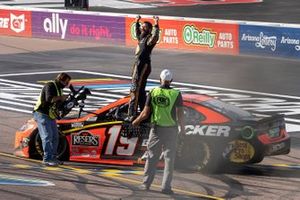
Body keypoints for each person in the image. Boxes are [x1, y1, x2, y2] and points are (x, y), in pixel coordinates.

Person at [132, 69, 185, 194]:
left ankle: (146, 184)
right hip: (171, 130)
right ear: (171, 81)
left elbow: (145, 113)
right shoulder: (176, 94)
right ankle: (166, 188)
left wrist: (136, 121)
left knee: (151, 157)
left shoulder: (153, 92)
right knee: (169, 159)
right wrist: (183, 129)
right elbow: (180, 115)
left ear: (159, 79)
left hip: (156, 130)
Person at [33, 73, 71, 166]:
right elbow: (49, 99)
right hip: (41, 114)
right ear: (60, 80)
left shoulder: (59, 89)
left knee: (55, 136)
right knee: (47, 136)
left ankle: (53, 157)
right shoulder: (50, 85)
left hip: (50, 115)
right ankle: (47, 159)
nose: (66, 85)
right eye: (66, 82)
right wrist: (61, 98)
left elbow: (58, 104)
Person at [126, 15, 160, 121]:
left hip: (143, 65)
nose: (142, 28)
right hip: (138, 65)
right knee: (139, 90)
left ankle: (132, 114)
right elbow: (136, 32)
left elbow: (155, 37)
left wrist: (156, 24)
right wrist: (136, 21)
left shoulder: (149, 39)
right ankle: (143, 110)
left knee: (134, 89)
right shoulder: (141, 37)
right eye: (142, 27)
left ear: (149, 29)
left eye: (144, 27)